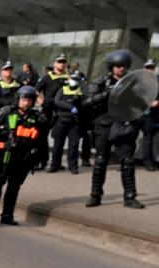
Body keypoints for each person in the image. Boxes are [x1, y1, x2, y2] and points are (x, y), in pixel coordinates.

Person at [0, 85, 49, 226]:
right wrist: (2, 130)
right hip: (5, 156)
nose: (26, 103)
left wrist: (41, 158)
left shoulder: (37, 117)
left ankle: (7, 215)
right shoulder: (6, 112)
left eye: (30, 100)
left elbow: (42, 138)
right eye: (24, 99)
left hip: (23, 158)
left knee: (14, 187)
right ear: (18, 99)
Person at [84, 50, 145, 209]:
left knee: (128, 162)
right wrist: (108, 94)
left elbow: (140, 104)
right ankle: (95, 195)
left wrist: (135, 121)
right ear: (111, 67)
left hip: (124, 126)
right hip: (104, 125)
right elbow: (88, 102)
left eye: (124, 66)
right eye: (117, 66)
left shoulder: (132, 83)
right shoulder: (101, 82)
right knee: (100, 161)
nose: (121, 69)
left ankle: (130, 197)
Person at [48, 73, 84, 173]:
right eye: (72, 79)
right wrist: (71, 107)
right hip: (62, 119)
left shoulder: (81, 91)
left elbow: (85, 102)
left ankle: (73, 166)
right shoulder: (63, 89)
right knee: (58, 144)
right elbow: (57, 101)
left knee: (74, 145)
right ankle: (54, 165)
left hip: (75, 121)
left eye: (76, 79)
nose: (74, 81)